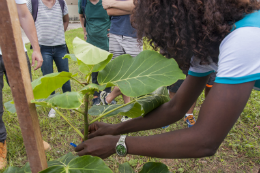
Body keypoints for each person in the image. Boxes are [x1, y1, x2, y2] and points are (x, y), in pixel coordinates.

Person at [74, 0, 260, 160]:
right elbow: (176, 107)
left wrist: (117, 144)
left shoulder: (244, 38)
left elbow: (205, 141)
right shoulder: (210, 41)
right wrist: (115, 129)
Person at [0, 0, 46, 169]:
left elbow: (24, 14)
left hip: (16, 50)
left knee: (28, 99)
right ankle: (0, 144)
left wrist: (36, 48)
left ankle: (35, 137)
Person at [100, 0, 143, 122]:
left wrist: (115, 4)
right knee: (121, 74)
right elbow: (108, 9)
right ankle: (127, 111)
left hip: (134, 35)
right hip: (115, 34)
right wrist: (130, 7)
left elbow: (138, 7)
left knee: (134, 75)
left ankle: (108, 97)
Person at [27, 0, 71, 118]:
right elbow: (26, 20)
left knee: (65, 76)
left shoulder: (61, 2)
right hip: (43, 48)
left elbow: (66, 20)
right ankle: (53, 106)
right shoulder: (33, 2)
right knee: (48, 78)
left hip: (60, 47)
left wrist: (60, 33)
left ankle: (70, 102)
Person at [78, 0, 112, 106]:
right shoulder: (83, 2)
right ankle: (96, 96)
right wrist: (84, 31)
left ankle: (107, 94)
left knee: (107, 69)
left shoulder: (107, 1)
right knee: (94, 70)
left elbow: (114, 15)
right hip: (91, 41)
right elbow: (81, 16)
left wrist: (113, 29)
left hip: (106, 40)